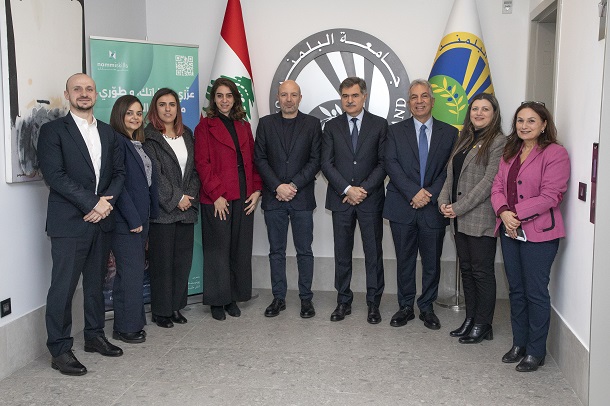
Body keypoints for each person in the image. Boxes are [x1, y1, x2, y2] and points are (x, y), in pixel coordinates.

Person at [37, 73, 125, 376]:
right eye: (77, 89)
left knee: (96, 284)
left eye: (89, 89)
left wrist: (105, 204)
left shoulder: (108, 132)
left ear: (96, 95)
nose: (84, 93)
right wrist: (92, 203)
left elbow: (119, 173)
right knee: (63, 288)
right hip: (69, 223)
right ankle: (60, 349)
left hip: (102, 220)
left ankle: (94, 336)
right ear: (67, 95)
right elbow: (55, 175)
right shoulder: (52, 131)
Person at [491, 102, 570, 372]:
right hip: (509, 230)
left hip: (540, 234)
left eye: (531, 121)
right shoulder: (510, 151)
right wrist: (503, 213)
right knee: (516, 290)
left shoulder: (555, 153)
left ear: (544, 124)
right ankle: (519, 344)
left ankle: (536, 351)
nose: (524, 126)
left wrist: (515, 214)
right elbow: (497, 186)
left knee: (535, 293)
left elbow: (551, 195)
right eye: (520, 120)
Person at [383, 79, 457, 330]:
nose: (419, 101)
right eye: (414, 97)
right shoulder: (394, 131)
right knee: (404, 259)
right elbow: (390, 163)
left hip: (433, 207)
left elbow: (449, 169)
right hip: (402, 205)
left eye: (424, 96)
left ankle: (427, 307)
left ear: (432, 101)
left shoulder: (450, 133)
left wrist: (430, 193)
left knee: (431, 261)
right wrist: (413, 193)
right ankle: (405, 306)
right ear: (408, 103)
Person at [438, 93, 505, 343]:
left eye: (485, 109)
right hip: (459, 218)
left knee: (481, 272)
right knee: (466, 270)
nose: (479, 113)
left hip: (480, 217)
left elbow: (489, 182)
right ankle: (471, 318)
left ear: (494, 113)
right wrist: (443, 202)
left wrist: (458, 207)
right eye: (475, 109)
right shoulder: (464, 138)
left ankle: (483, 324)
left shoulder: (499, 142)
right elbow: (450, 174)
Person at [194, 78, 262, 321]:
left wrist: (256, 190)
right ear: (213, 99)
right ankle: (217, 300)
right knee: (217, 250)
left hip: (244, 194)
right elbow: (202, 164)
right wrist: (216, 195)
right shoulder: (204, 127)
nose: (224, 100)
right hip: (217, 197)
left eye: (229, 96)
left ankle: (233, 297)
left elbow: (253, 161)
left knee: (239, 248)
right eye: (220, 95)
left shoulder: (244, 126)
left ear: (235, 99)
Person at [321, 77, 387, 324]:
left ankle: (373, 303)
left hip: (370, 200)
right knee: (342, 253)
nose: (350, 100)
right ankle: (343, 301)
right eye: (345, 96)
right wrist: (348, 190)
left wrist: (363, 190)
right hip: (342, 200)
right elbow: (326, 163)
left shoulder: (379, 125)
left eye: (355, 95)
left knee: (373, 253)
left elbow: (383, 163)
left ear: (364, 96)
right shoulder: (331, 126)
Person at [254, 80, 322, 318]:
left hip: (301, 198)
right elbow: (260, 159)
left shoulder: (312, 124)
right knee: (276, 251)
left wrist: (292, 186)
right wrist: (277, 186)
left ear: (300, 98)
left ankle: (306, 299)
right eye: (284, 95)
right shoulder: (265, 124)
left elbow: (316, 160)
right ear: (278, 97)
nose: (289, 99)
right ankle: (278, 298)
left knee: (305, 251)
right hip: (274, 199)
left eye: (293, 95)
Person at [143, 88, 200, 328]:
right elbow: (154, 175)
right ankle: (161, 311)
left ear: (178, 108)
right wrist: (177, 198)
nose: (168, 109)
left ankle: (176, 306)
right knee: (162, 264)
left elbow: (195, 170)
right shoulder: (148, 137)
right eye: (162, 104)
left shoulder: (187, 134)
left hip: (186, 210)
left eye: (172, 104)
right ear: (155, 109)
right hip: (163, 211)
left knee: (182, 263)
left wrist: (189, 197)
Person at [108, 95, 159, 343]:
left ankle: (132, 323)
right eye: (129, 113)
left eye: (139, 113)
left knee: (133, 273)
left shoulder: (137, 143)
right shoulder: (117, 142)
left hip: (141, 218)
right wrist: (133, 219)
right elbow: (119, 186)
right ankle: (126, 328)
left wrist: (149, 215)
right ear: (119, 114)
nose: (135, 117)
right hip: (126, 221)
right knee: (130, 274)